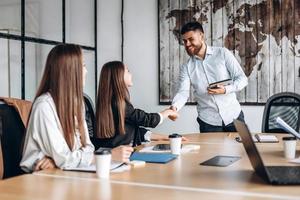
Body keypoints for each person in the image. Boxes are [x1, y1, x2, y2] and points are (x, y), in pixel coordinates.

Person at [20, 44, 132, 172]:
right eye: (83, 66)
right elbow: (64, 158)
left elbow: (88, 147)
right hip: (38, 179)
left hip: (65, 173)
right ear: (70, 71)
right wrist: (108, 155)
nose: (86, 71)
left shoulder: (77, 104)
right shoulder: (44, 106)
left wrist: (56, 160)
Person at [170, 21, 248, 132]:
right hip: (208, 122)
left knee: (241, 149)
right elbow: (183, 92)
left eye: (191, 39)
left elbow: (242, 79)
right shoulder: (186, 67)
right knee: (211, 150)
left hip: (234, 116)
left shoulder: (223, 53)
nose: (187, 44)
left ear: (201, 36)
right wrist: (175, 107)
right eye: (184, 41)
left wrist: (225, 89)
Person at [95, 61, 180, 148]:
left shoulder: (114, 102)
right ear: (118, 76)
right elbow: (146, 119)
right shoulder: (118, 103)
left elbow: (133, 129)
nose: (131, 74)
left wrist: (165, 137)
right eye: (127, 71)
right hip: (118, 158)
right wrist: (168, 112)